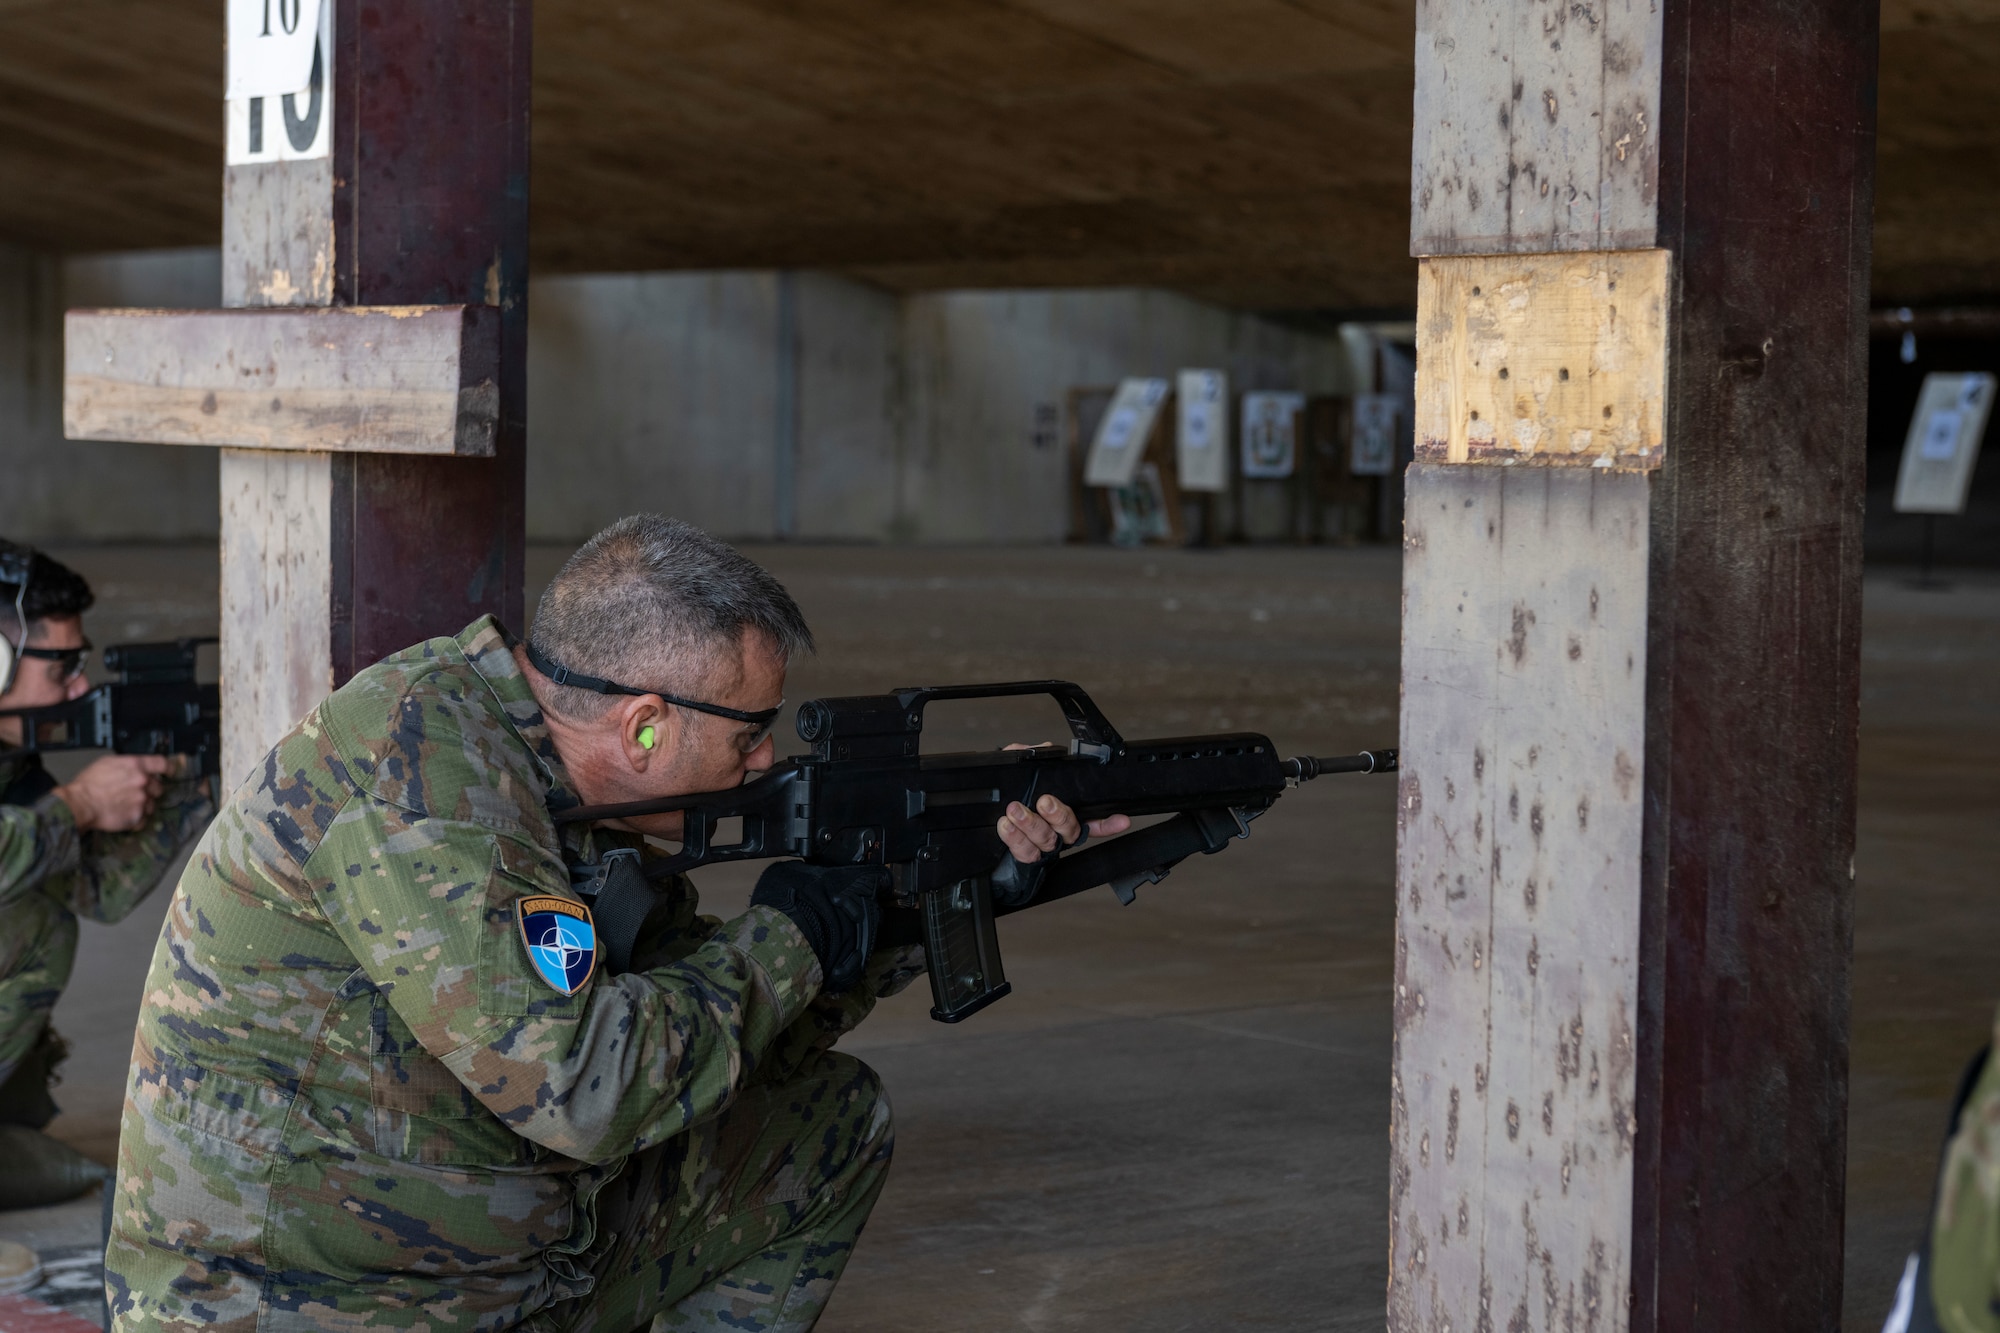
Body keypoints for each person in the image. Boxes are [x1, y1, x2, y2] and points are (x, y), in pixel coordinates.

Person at [108, 515, 1123, 1332]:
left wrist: (917, 897)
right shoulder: (422, 774)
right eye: (751, 732)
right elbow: (584, 1089)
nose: (765, 763)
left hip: (495, 1261)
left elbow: (712, 1041)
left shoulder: (573, 797)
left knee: (825, 1124)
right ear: (644, 724)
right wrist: (792, 935)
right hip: (301, 1299)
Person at [0, 540, 214, 1209]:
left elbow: (97, 890)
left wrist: (189, 784)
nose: (78, 688)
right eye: (61, 666)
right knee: (34, 924)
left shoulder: (12, 762)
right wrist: (81, 804)